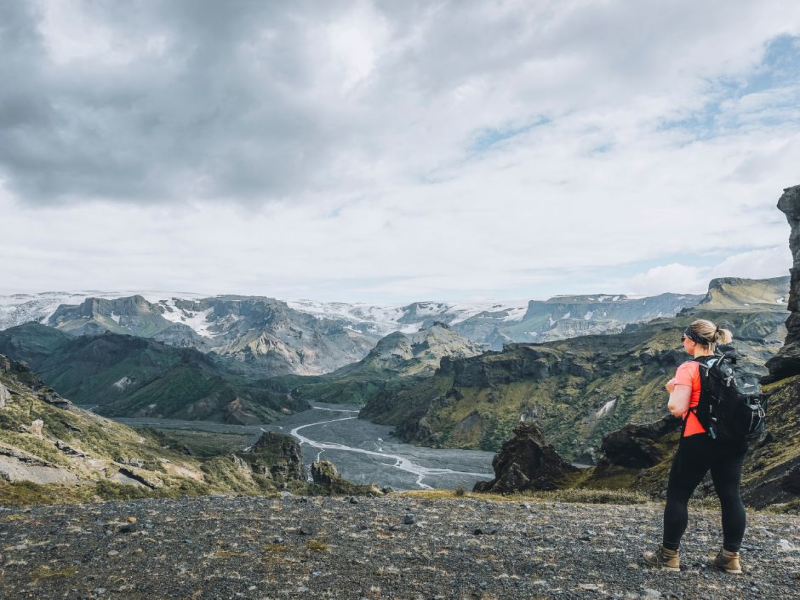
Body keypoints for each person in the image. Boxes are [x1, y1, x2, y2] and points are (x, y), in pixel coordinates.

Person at [643, 318, 746, 574]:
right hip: (733, 441)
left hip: (699, 439)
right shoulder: (729, 364)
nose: (682, 342)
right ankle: (730, 558)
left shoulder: (688, 368)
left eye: (683, 338)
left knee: (678, 495)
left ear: (692, 340)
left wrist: (672, 389)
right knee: (731, 496)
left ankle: (668, 557)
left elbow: (677, 408)